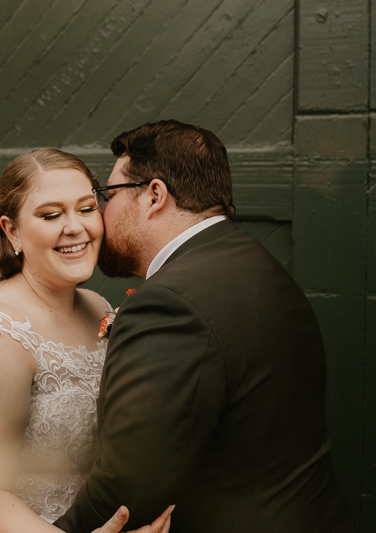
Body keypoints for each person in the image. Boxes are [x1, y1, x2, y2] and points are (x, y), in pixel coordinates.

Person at [54, 121, 356, 532]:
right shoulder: (258, 264)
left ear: (154, 195)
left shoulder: (169, 304)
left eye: (108, 195)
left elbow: (128, 484)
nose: (104, 212)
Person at [0, 148, 173, 533]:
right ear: (12, 231)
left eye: (86, 208)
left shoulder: (97, 307)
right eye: (51, 215)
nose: (74, 227)